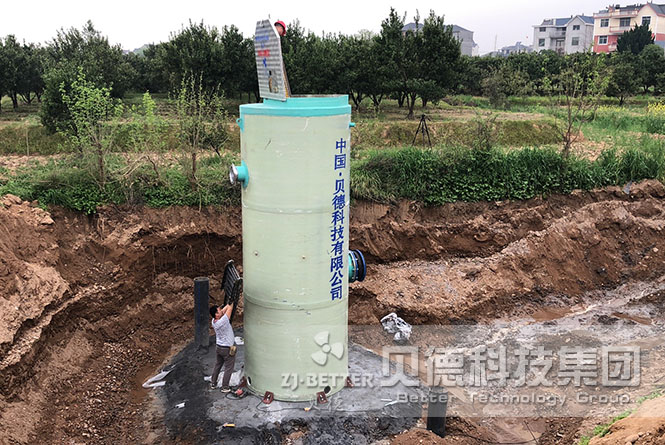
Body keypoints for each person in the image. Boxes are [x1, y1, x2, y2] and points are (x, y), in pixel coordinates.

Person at [209, 304, 235, 392]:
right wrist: (229, 304)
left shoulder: (214, 321)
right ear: (216, 314)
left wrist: (223, 308)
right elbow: (230, 308)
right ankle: (225, 387)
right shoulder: (223, 321)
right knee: (229, 367)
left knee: (218, 365)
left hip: (219, 347)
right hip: (227, 348)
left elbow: (223, 311)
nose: (221, 310)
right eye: (219, 310)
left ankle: (213, 383)